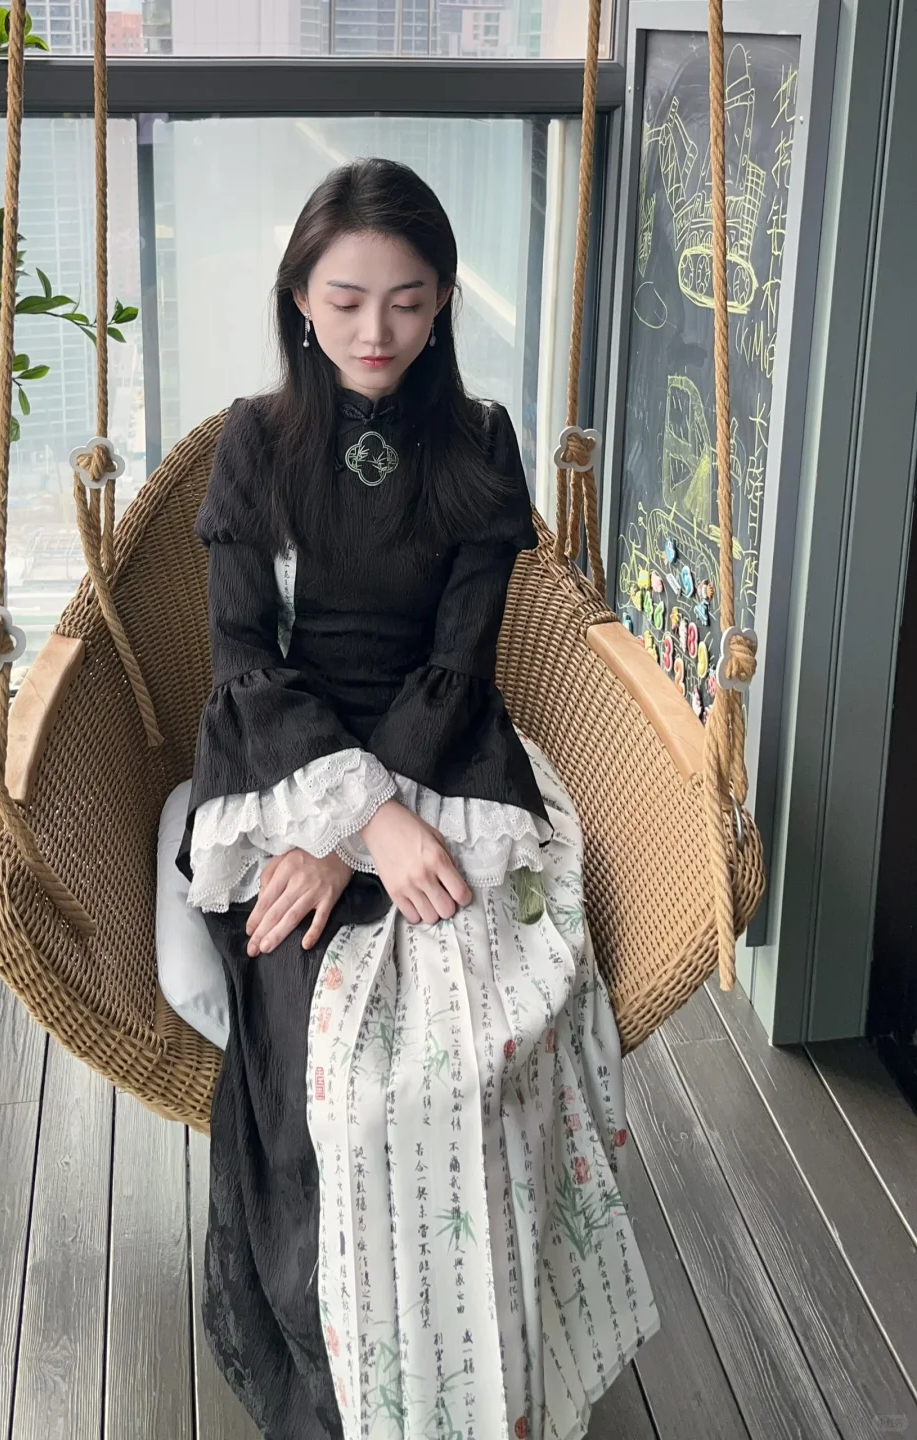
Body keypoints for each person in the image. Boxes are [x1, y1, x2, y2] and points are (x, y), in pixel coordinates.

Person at [176, 157, 659, 1440]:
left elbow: (461, 661)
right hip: (284, 770)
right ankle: (333, 1376)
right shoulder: (254, 442)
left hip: (444, 756)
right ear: (299, 300)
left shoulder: (481, 441)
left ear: (443, 299)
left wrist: (380, 832)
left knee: (469, 1046)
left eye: (406, 300)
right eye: (344, 302)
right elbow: (242, 661)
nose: (374, 332)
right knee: (322, 1070)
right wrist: (348, 824)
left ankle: (471, 1361)